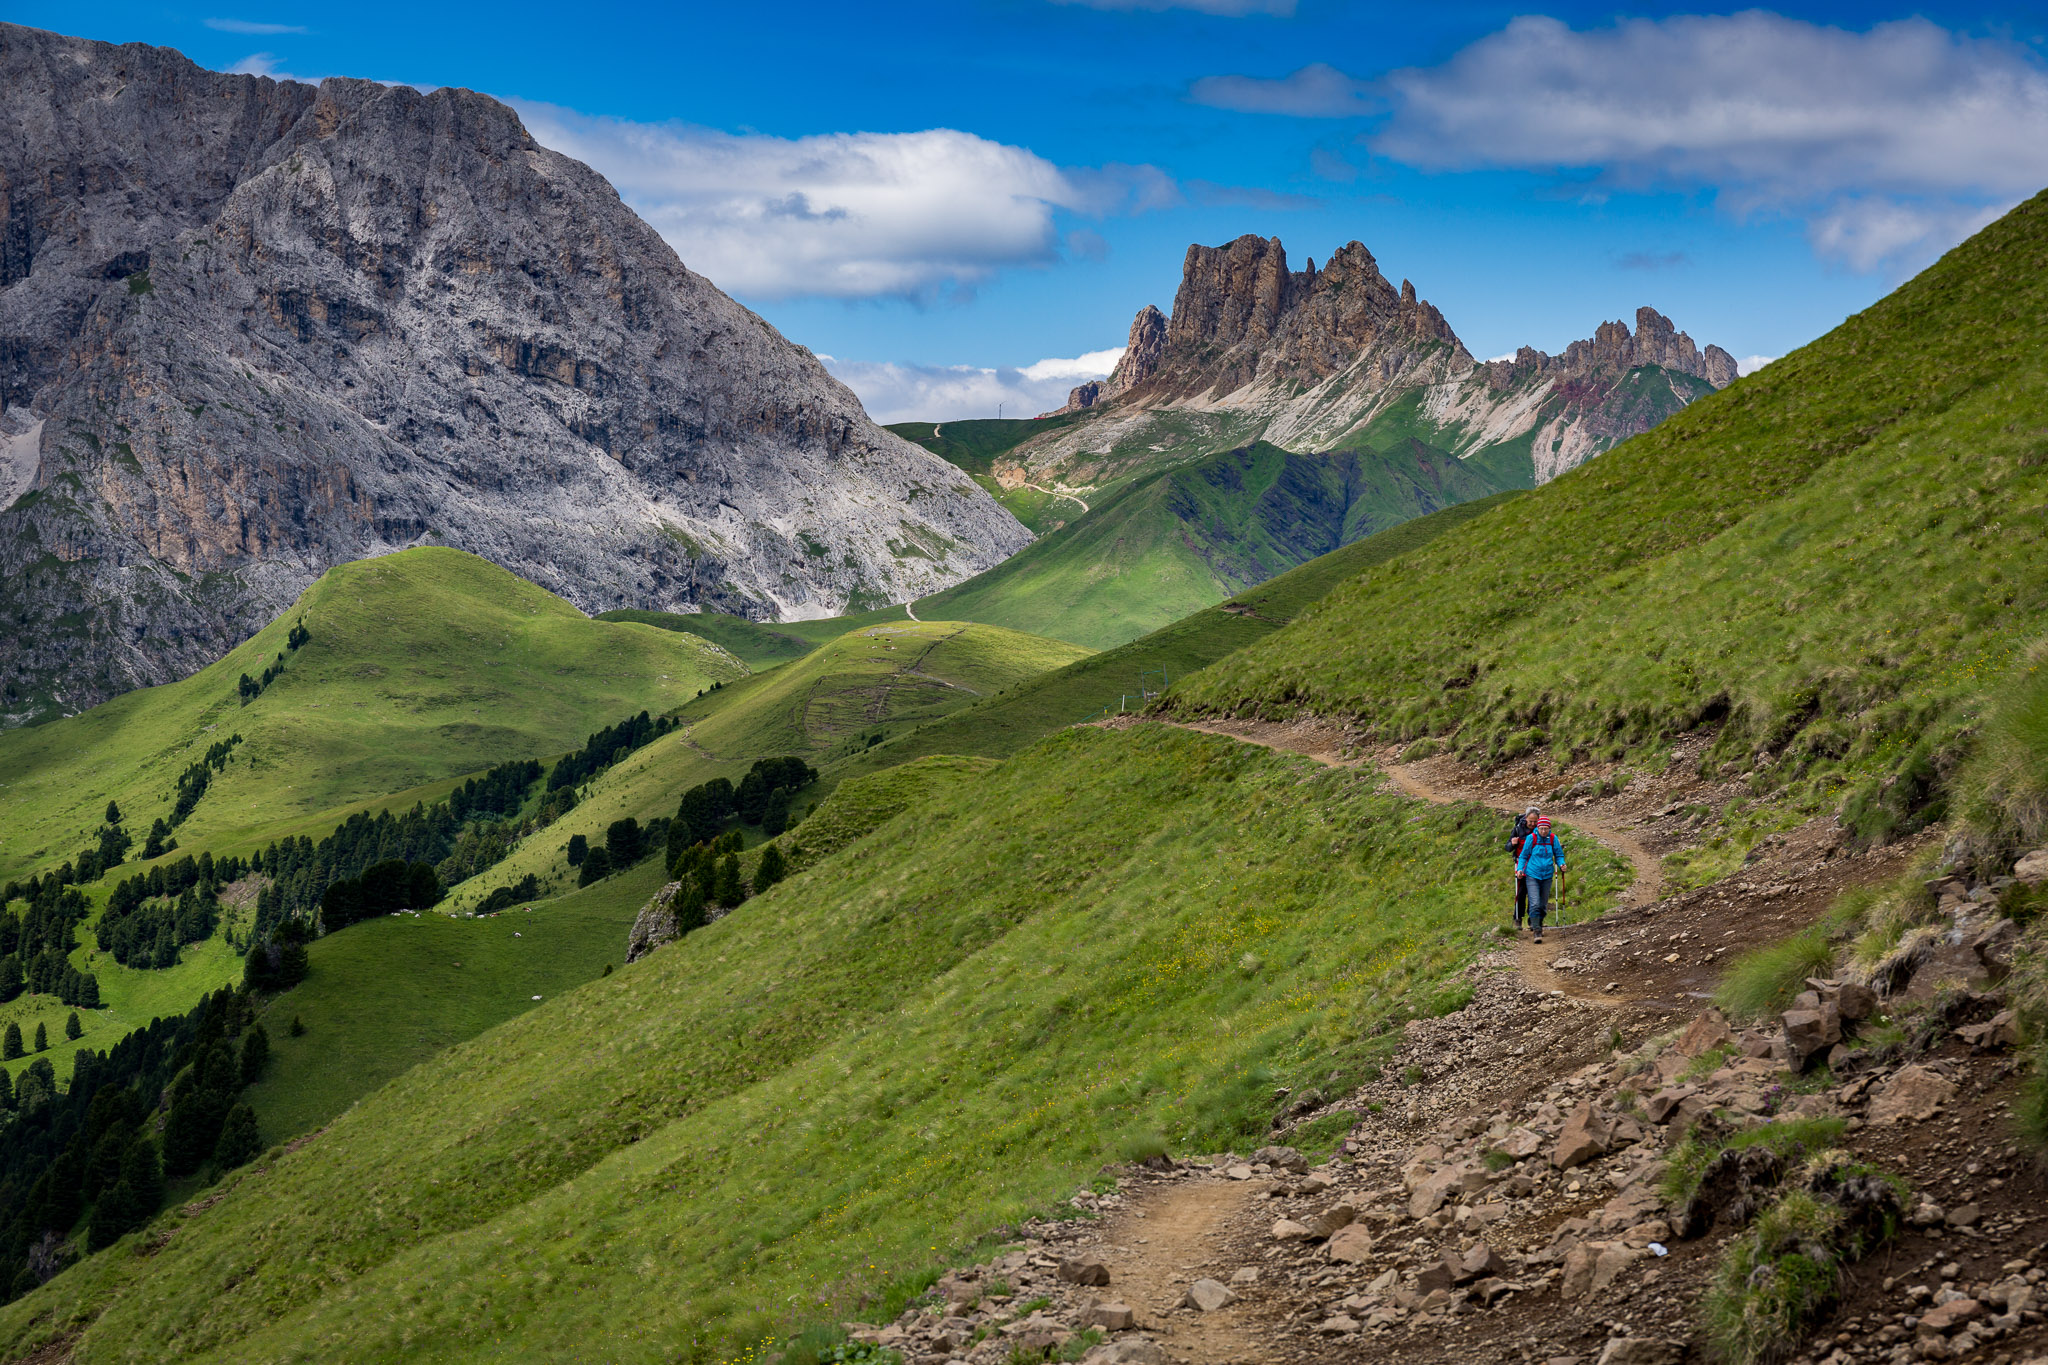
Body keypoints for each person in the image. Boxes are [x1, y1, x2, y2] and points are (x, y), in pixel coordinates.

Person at [1515, 814, 1566, 943]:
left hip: (1547, 875)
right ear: (1538, 828)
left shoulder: (1553, 839)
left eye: (1546, 829)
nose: (1543, 831)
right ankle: (1537, 931)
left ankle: (1539, 922)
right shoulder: (1531, 838)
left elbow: (1559, 855)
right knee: (1535, 903)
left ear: (1549, 829)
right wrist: (1520, 869)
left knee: (1543, 905)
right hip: (1532, 874)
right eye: (1541, 828)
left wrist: (1561, 864)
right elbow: (1523, 856)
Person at [1506, 805, 1538, 927]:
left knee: (1534, 892)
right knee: (1521, 892)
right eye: (1531, 821)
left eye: (1535, 821)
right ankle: (1518, 918)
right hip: (1521, 864)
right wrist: (1512, 844)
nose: (1533, 824)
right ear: (1526, 818)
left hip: (1536, 864)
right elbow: (1507, 848)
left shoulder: (1541, 829)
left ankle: (1532, 920)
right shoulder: (1518, 829)